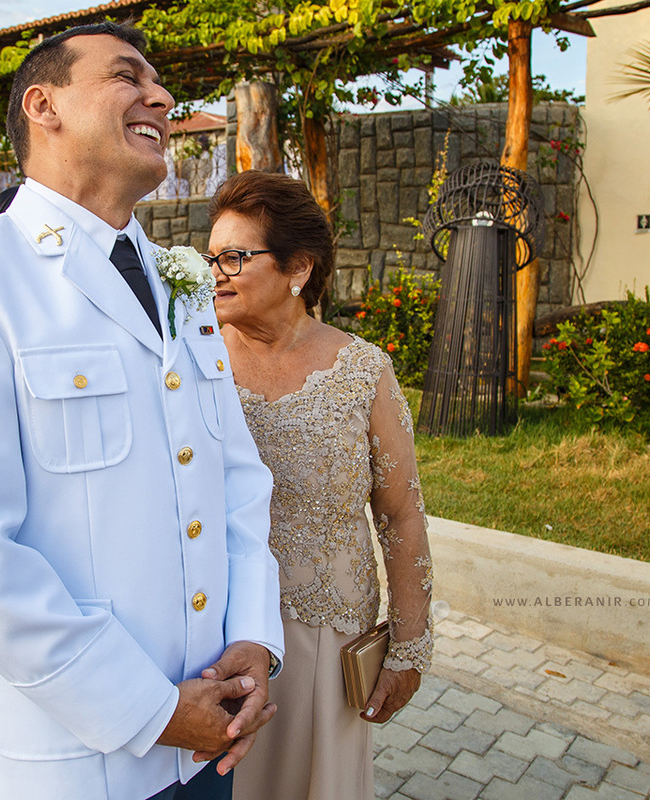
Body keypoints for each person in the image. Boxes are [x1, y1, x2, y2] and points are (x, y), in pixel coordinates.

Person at [0, 23, 283, 800]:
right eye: (128, 77)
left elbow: (236, 476)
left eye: (159, 82)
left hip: (211, 734)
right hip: (81, 757)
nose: (160, 96)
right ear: (44, 105)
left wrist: (253, 638)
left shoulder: (181, 284)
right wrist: (149, 710)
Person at [205, 171, 434, 800]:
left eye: (234, 257)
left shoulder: (363, 372)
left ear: (298, 268)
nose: (214, 272)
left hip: (324, 638)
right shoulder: (192, 364)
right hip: (212, 635)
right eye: (211, 257)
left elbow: (400, 516)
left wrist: (409, 645)